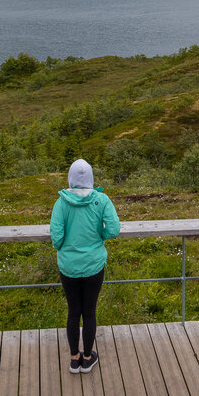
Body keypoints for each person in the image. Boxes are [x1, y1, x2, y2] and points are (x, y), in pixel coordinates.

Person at [50, 158, 121, 373]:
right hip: (93, 266)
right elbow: (113, 230)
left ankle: (74, 359)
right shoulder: (102, 200)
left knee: (73, 311)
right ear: (90, 178)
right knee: (89, 312)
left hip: (69, 267)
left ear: (71, 179)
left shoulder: (61, 203)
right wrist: (99, 234)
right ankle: (88, 358)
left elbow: (56, 239)